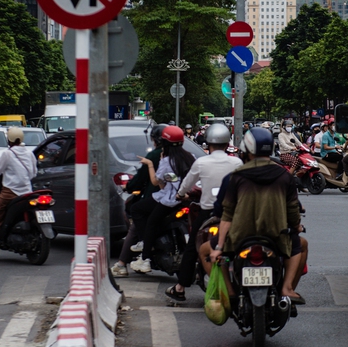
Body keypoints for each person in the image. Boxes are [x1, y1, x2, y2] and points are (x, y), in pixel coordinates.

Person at [208, 128, 305, 303]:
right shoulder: (285, 177)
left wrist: (219, 247)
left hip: (239, 237)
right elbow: (292, 210)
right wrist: (297, 226)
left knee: (214, 247)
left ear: (247, 150)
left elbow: (226, 214)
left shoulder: (234, 177)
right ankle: (287, 288)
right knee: (299, 245)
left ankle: (230, 291)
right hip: (276, 237)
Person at [163, 124, 243, 300]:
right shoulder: (236, 162)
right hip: (233, 214)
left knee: (192, 247)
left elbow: (186, 183)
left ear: (208, 143)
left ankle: (181, 287)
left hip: (208, 213)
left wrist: (180, 194)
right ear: (227, 142)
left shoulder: (202, 162)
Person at [130, 126, 196, 273]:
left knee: (139, 211)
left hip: (169, 199)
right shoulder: (190, 156)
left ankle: (145, 255)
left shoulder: (166, 161)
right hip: (186, 198)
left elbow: (156, 182)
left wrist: (150, 164)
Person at [111, 123, 167, 278]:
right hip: (179, 198)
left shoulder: (155, 156)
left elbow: (145, 179)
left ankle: (122, 264)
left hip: (157, 198)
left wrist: (128, 187)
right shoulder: (183, 155)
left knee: (136, 224)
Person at [0, 127, 38, 262]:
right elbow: (33, 174)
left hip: (10, 191)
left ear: (9, 140)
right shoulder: (29, 154)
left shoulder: (8, 154)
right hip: (27, 192)